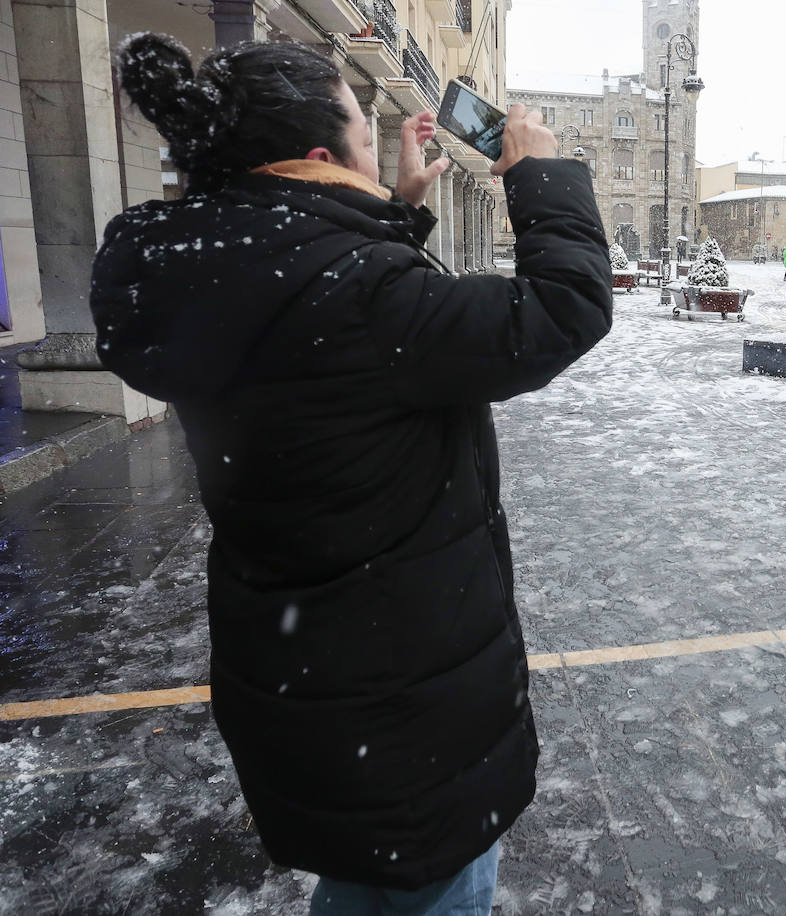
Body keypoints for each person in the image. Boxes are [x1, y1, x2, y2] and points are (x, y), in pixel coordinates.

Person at [90, 35, 613, 915]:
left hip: (302, 677)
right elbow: (562, 309)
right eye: (364, 132)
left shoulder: (200, 272)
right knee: (428, 879)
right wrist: (541, 175)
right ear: (321, 159)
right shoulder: (365, 299)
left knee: (366, 880)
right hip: (405, 700)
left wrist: (396, 211)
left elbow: (325, 312)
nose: (380, 146)